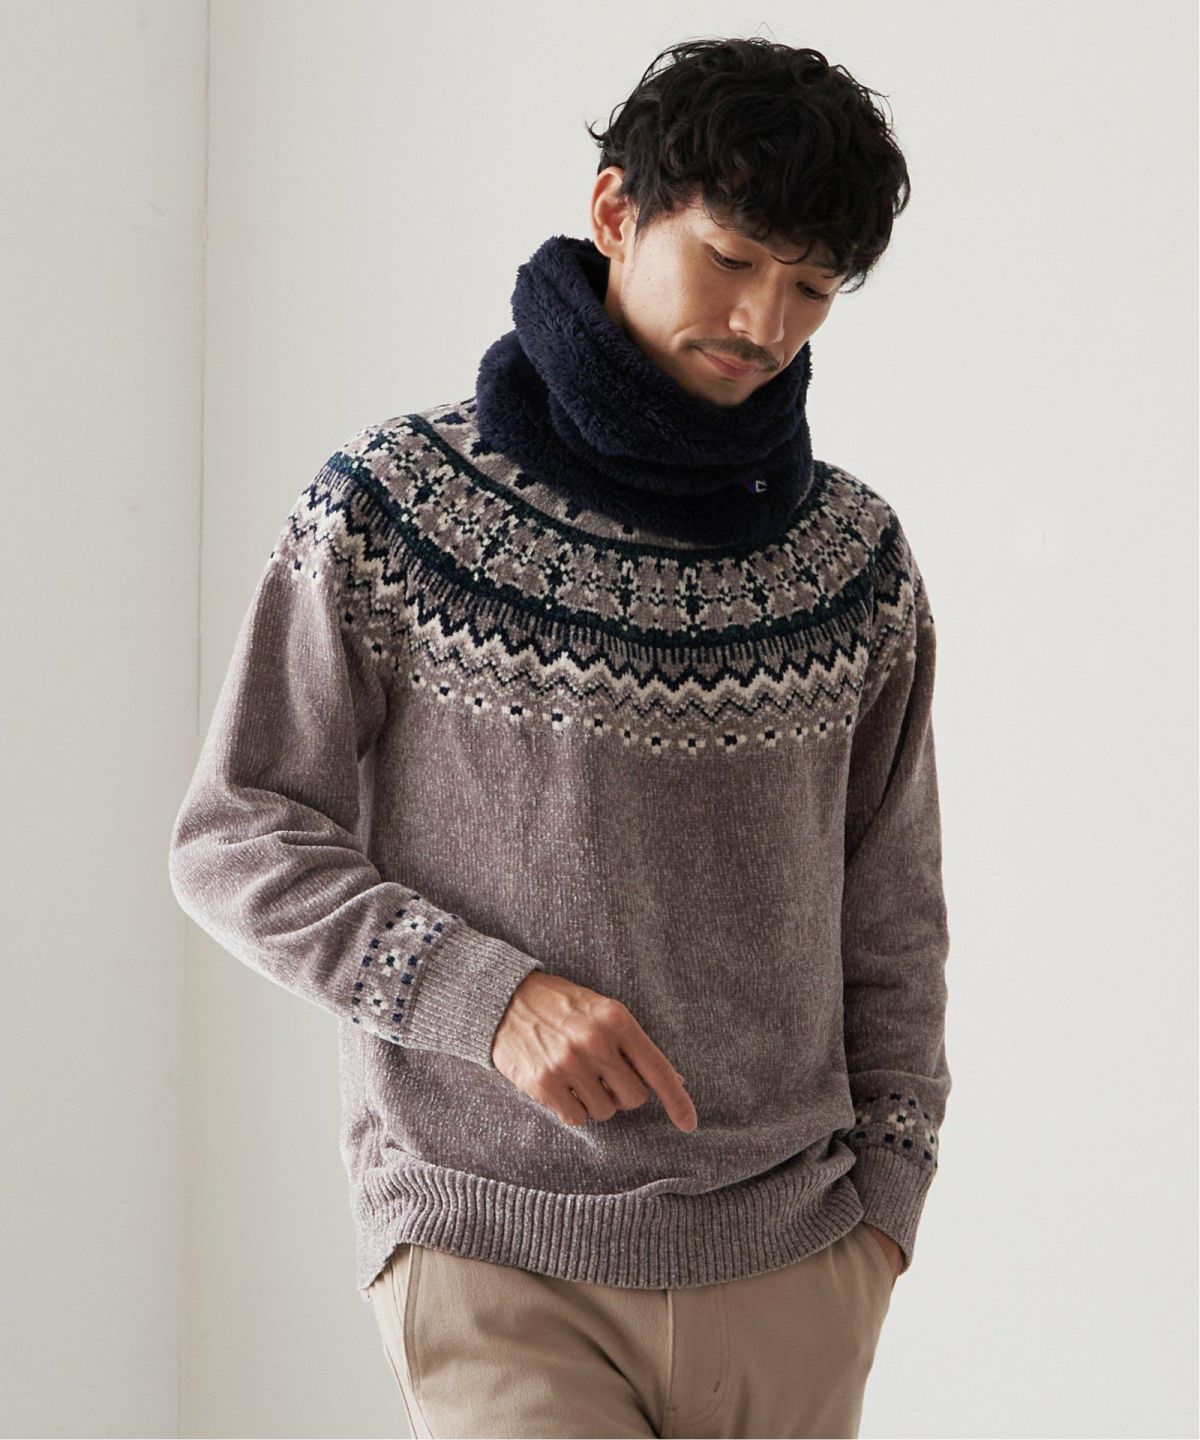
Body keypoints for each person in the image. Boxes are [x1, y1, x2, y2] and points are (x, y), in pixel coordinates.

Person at [168, 35, 951, 1440]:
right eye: (731, 258)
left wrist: (888, 1204)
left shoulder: (851, 559)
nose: (765, 321)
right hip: (493, 1247)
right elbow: (236, 835)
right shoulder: (399, 506)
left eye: (812, 287)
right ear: (614, 213)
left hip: (795, 1265)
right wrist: (490, 998)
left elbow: (890, 914)